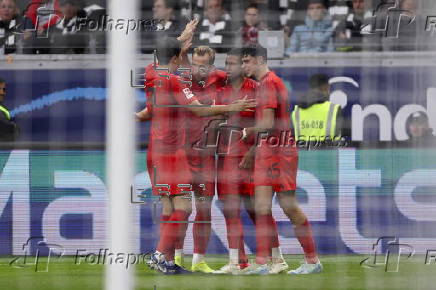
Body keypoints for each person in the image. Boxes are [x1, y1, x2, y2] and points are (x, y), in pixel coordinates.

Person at [137, 35, 256, 275]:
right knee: (185, 208)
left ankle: (167, 261)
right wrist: (232, 108)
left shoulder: (150, 72)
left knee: (170, 209)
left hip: (155, 151)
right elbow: (199, 110)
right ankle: (160, 255)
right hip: (173, 153)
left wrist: (179, 40)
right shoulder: (174, 81)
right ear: (176, 57)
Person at [240, 44, 322, 275]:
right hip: (271, 151)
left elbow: (267, 124)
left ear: (258, 60)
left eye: (247, 61)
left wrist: (248, 132)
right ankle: (263, 263)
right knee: (262, 207)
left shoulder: (268, 83)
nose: (244, 65)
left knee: (287, 206)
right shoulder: (268, 83)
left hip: (280, 154)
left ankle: (312, 260)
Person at [213, 48, 258, 274]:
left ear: (244, 65)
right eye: (226, 63)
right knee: (230, 210)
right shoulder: (221, 91)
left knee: (258, 212)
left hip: (249, 161)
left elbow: (269, 125)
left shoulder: (257, 90)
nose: (228, 68)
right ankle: (238, 261)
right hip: (225, 160)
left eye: (232, 63)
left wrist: (254, 152)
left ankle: (271, 258)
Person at [291, 74, 343, 149]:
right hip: (328, 157)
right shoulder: (334, 109)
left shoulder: (296, 111)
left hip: (303, 157)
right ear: (326, 87)